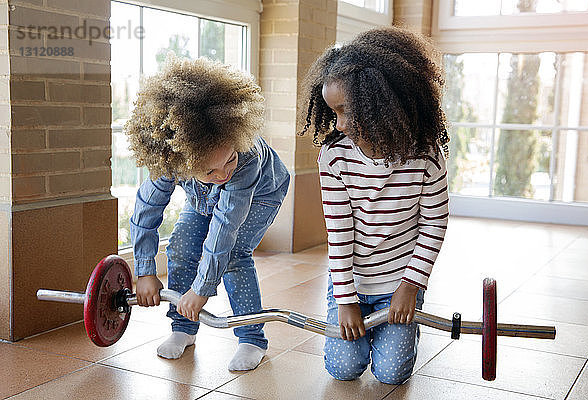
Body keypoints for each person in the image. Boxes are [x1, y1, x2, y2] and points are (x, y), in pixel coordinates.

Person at [299, 26, 450, 384]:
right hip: (351, 279)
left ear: (381, 104)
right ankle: (358, 321)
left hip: (400, 279)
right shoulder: (334, 157)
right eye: (332, 112)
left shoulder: (426, 156)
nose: (338, 124)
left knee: (391, 374)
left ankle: (405, 330)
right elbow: (338, 232)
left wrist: (410, 287)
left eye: (345, 111)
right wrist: (346, 297)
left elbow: (434, 224)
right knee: (343, 369)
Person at [125, 56, 290, 371]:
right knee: (182, 247)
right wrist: (145, 271)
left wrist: (201, 289)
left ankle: (251, 338)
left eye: (227, 160)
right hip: (202, 196)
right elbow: (146, 212)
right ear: (182, 162)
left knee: (234, 256)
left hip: (260, 194)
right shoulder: (171, 159)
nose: (223, 173)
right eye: (209, 168)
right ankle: (182, 329)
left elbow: (224, 229)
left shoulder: (245, 161)